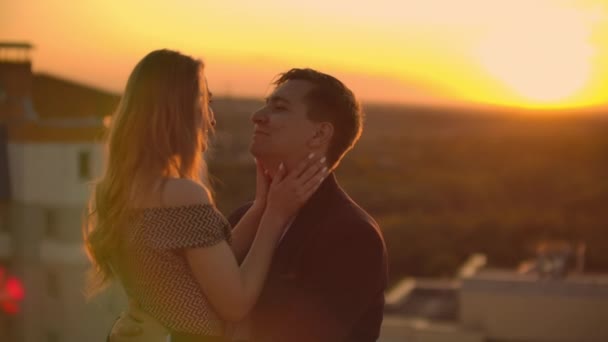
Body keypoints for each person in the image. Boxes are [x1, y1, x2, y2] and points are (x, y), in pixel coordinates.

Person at [111, 68, 389, 341]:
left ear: (318, 135)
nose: (257, 117)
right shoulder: (244, 216)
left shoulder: (352, 235)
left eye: (279, 108)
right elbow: (182, 305)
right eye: (264, 106)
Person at [82, 50, 328, 342]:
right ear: (180, 111)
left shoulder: (111, 192)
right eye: (205, 101)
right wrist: (276, 215)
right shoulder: (182, 195)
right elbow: (235, 302)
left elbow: (210, 267)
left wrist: (261, 208)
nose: (211, 118)